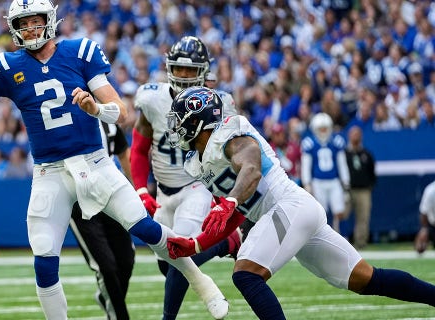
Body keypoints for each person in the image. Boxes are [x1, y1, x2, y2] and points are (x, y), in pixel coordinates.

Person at [0, 2, 228, 319]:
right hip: (49, 172)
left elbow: (120, 111)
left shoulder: (80, 51)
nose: (31, 29)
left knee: (146, 228)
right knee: (44, 261)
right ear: (14, 27)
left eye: (36, 22)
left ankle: (203, 284)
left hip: (95, 162)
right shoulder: (7, 65)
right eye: (24, 23)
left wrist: (96, 110)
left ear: (49, 22)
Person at [164, 86, 435, 319]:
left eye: (179, 121)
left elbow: (251, 169)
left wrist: (230, 201)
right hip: (291, 213)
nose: (175, 129)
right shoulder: (198, 162)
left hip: (287, 205)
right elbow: (233, 215)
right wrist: (197, 244)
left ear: (197, 120)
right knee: (366, 278)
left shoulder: (229, 134)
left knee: (246, 274)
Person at [131, 36, 241, 320]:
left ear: (204, 71)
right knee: (168, 266)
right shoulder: (153, 98)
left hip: (197, 185)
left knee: (179, 252)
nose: (183, 75)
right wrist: (142, 189)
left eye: (190, 70)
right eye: (178, 69)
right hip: (163, 194)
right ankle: (227, 242)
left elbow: (231, 153)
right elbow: (140, 148)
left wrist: (222, 197)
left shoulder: (220, 102)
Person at [69, 121, 135, 320]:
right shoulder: (64, 124)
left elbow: (124, 153)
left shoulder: (109, 124)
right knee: (105, 266)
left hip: (110, 196)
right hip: (79, 200)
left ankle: (105, 297)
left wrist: (133, 188)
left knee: (126, 261)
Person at [301, 113, 350, 233]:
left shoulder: (336, 141)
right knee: (322, 213)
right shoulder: (309, 143)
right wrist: (307, 183)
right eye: (320, 129)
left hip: (334, 181)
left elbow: (342, 164)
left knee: (339, 211)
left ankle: (343, 237)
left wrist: (346, 182)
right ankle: (325, 239)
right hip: (318, 181)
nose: (323, 131)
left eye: (325, 128)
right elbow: (306, 165)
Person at [344, 126, 376, 249]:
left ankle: (360, 243)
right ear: (349, 135)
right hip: (347, 189)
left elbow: (372, 172)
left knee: (363, 217)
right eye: (353, 134)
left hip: (363, 190)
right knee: (342, 215)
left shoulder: (366, 154)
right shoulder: (344, 154)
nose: (356, 136)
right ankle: (341, 241)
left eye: (358, 134)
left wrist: (369, 185)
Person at [415, 180, 435, 254]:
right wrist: (424, 229)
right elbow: (424, 212)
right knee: (420, 247)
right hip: (433, 226)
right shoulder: (431, 190)